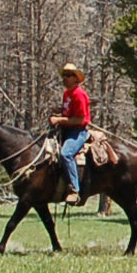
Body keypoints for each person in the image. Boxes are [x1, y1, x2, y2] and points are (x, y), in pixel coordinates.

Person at [51, 63, 91, 205]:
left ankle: (74, 190)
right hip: (66, 129)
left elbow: (80, 119)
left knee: (65, 154)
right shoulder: (67, 93)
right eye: (64, 75)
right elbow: (68, 112)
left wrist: (59, 119)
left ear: (76, 79)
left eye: (69, 75)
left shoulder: (79, 95)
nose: (65, 78)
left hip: (78, 131)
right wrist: (59, 113)